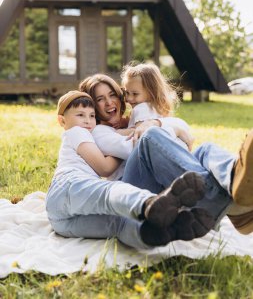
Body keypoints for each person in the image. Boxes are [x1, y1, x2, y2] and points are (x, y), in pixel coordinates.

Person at [79, 70, 253, 236]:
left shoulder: (134, 120)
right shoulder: (99, 132)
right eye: (100, 99)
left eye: (112, 95)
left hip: (160, 185)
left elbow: (184, 129)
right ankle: (221, 202)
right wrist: (166, 128)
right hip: (133, 189)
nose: (109, 102)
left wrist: (157, 123)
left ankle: (235, 178)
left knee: (205, 150)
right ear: (93, 106)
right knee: (151, 137)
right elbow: (143, 145)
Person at [46, 90, 213, 250]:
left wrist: (121, 134)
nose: (88, 121)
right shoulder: (76, 132)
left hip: (62, 222)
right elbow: (105, 168)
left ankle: (162, 232)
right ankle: (150, 203)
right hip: (68, 185)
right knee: (108, 193)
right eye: (80, 115)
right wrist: (120, 149)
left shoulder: (88, 132)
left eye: (91, 116)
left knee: (119, 224)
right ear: (62, 121)